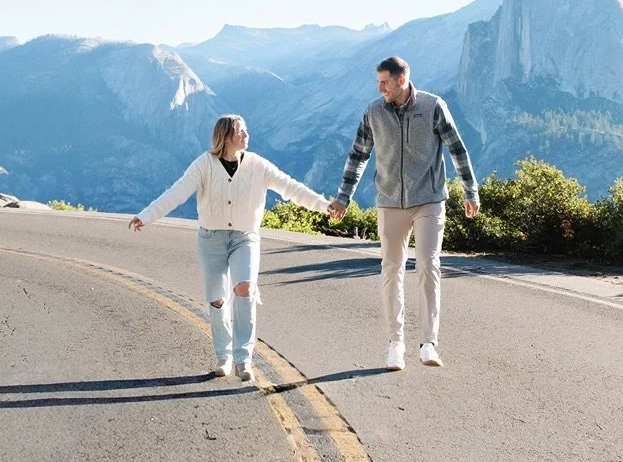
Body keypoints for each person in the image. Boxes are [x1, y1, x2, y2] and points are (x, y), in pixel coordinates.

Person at [129, 114, 329, 383]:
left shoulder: (258, 165)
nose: (246, 135)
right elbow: (176, 192)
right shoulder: (204, 165)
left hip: (246, 237)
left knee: (244, 289)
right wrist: (147, 215)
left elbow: (290, 187)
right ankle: (223, 356)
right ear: (225, 137)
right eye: (240, 131)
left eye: (246, 129)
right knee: (217, 298)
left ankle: (243, 359)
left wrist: (324, 205)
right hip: (211, 239)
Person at [328, 56, 479, 371]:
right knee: (391, 269)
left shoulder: (433, 106)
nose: (380, 88)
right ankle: (396, 344)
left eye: (384, 82)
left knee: (428, 264)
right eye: (378, 83)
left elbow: (457, 150)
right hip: (389, 202)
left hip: (429, 199)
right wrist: (344, 197)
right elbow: (358, 156)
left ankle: (428, 343)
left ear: (401, 80)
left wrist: (470, 191)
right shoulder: (373, 112)